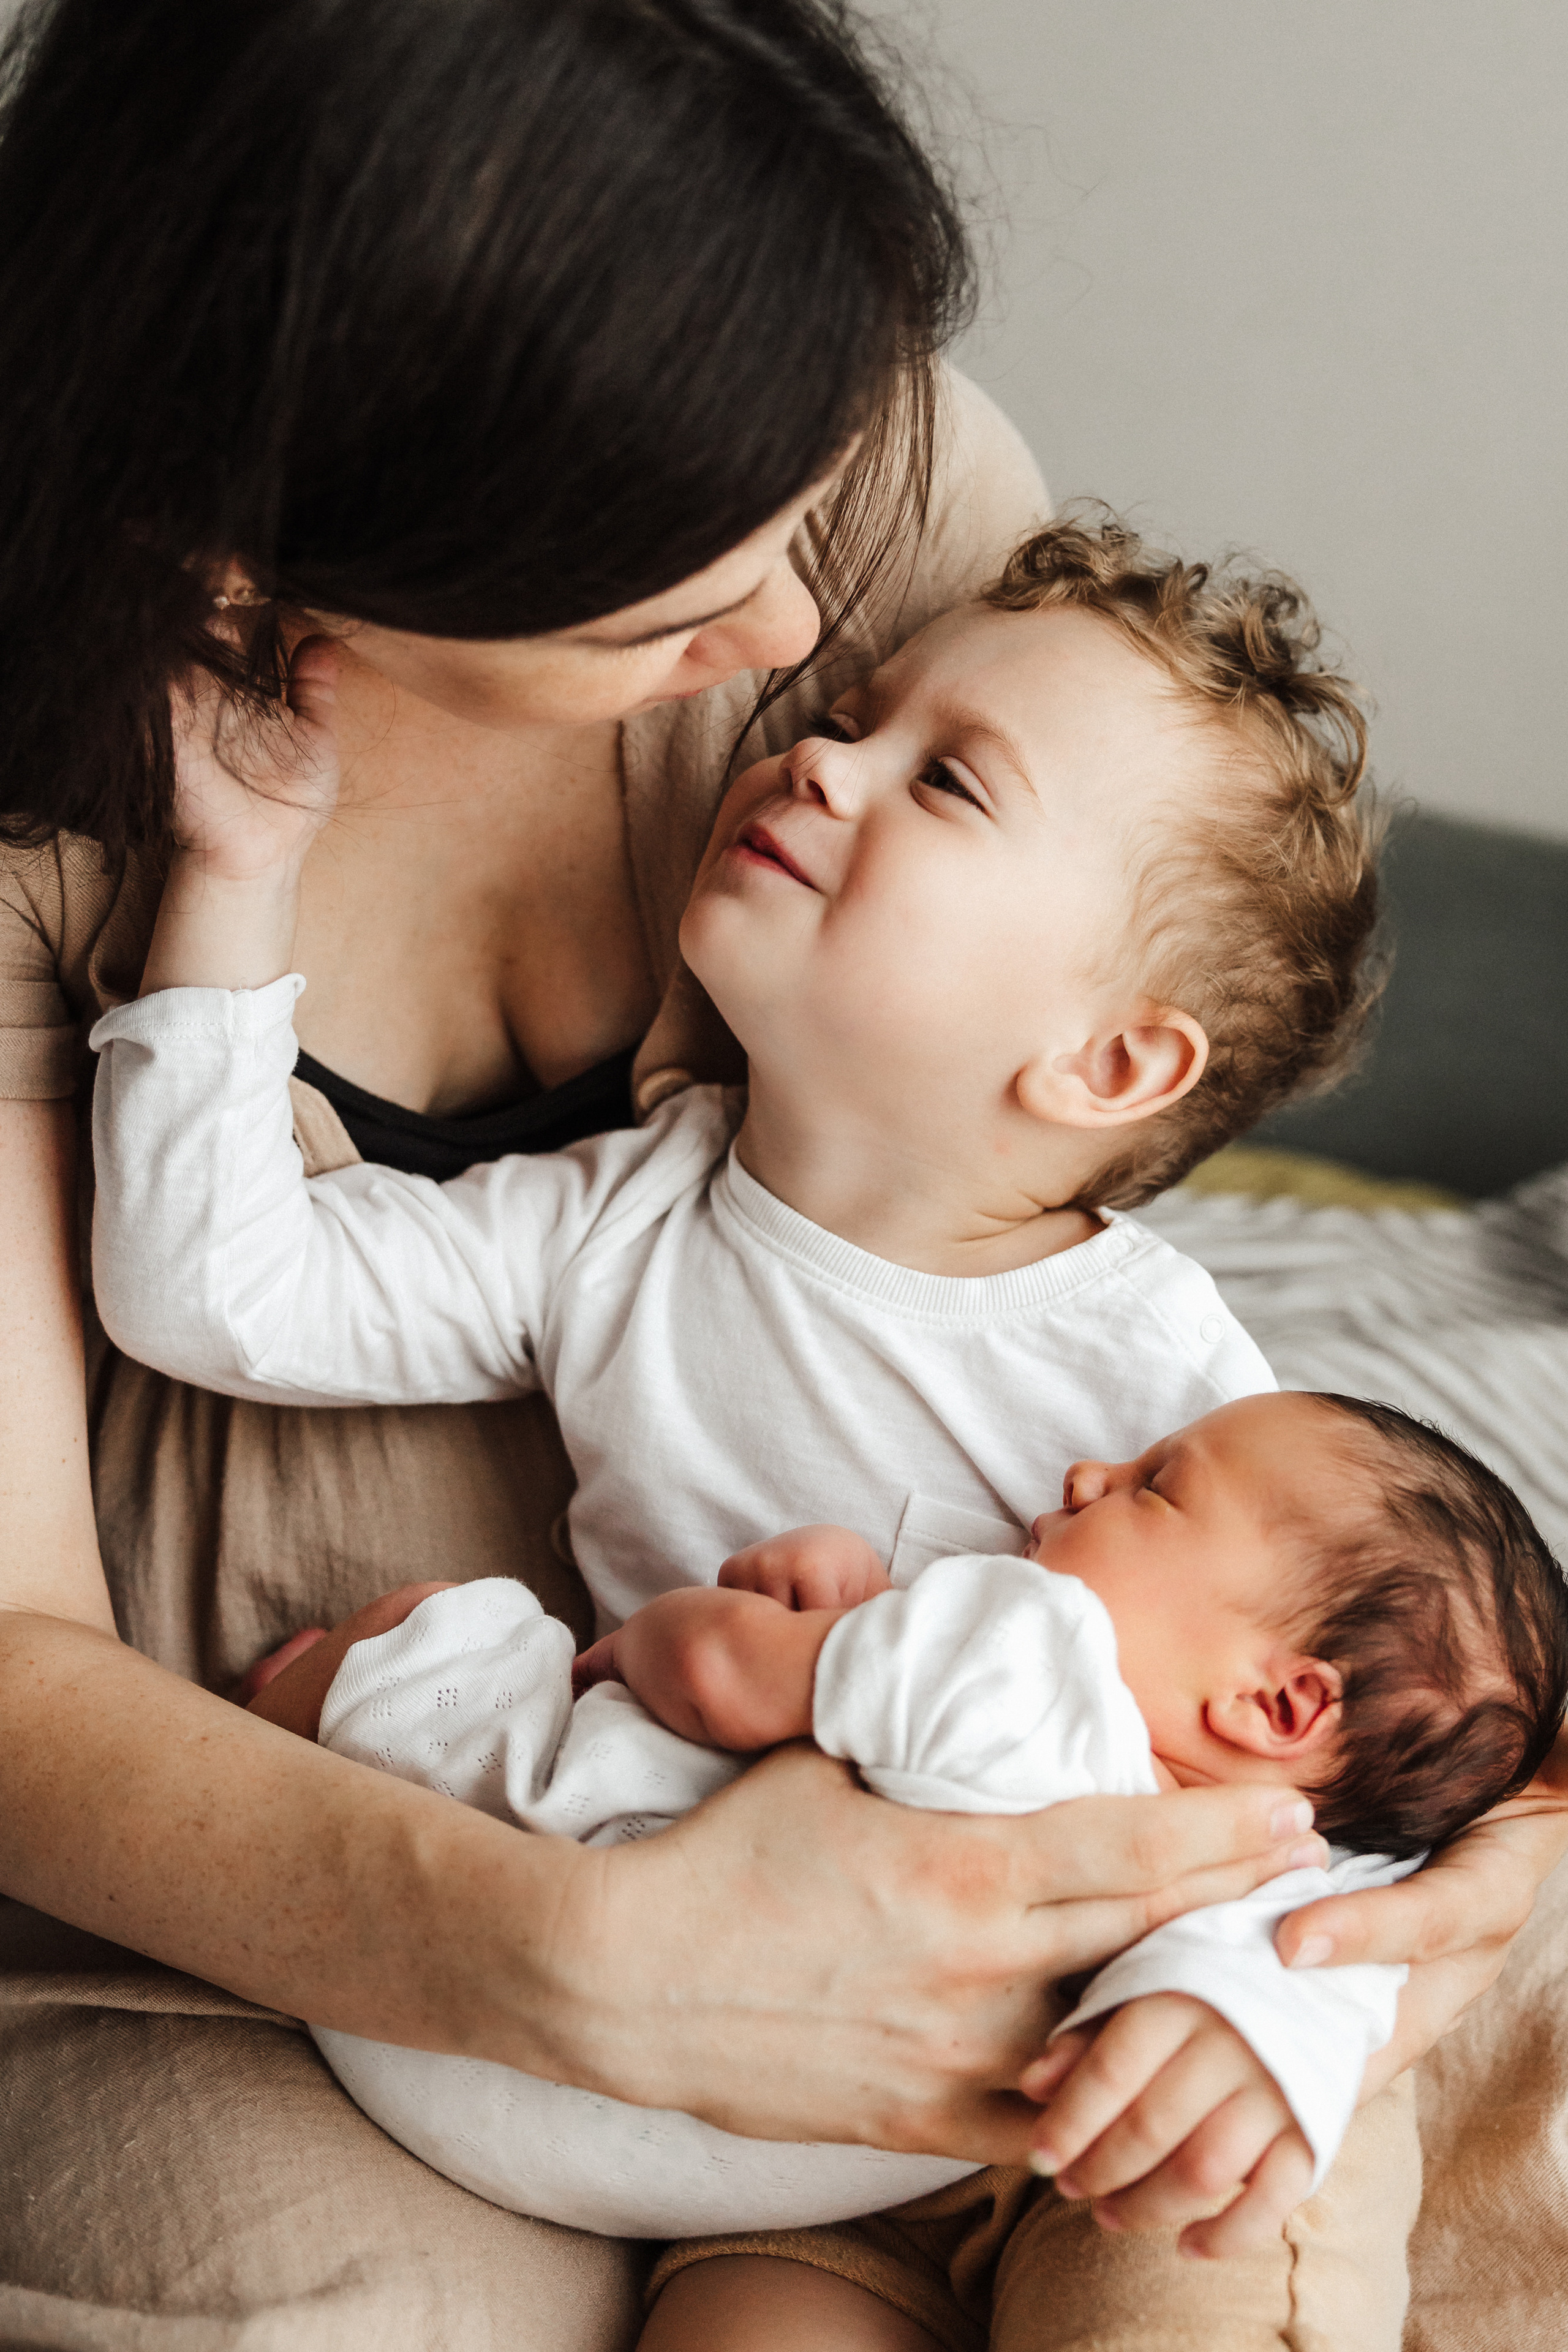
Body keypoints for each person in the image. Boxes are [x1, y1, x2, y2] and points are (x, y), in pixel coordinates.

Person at [0, 1, 1561, 2346]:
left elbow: (1354, 1619)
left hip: (1051, 2022)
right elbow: (192, 1358)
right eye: (674, 611)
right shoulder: (616, 1214)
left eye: (914, 750)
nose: (804, 649)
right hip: (355, 1946)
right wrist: (570, 1944)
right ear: (272, 545)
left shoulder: (859, 497)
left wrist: (1463, 1836)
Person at [95, 515, 1450, 2342]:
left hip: (1026, 2105)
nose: (819, 754)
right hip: (668, 2068)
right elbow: (214, 1294)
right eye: (859, 719)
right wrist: (236, 873)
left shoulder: (1167, 1383)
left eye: (947, 783)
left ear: (1108, 1064)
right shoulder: (619, 1226)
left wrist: (1240, 2017)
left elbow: (1334, 1779)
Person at [230, 1387, 1562, 2348]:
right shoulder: (1285, 1877)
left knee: (451, 1640)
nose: (1090, 1472)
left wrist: (713, 1624)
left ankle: (316, 1692)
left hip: (449, 2019)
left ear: (1276, 1704)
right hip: (766, 2168)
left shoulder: (1025, 1641)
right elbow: (1316, 2004)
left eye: (1156, 1485)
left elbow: (708, 1675)